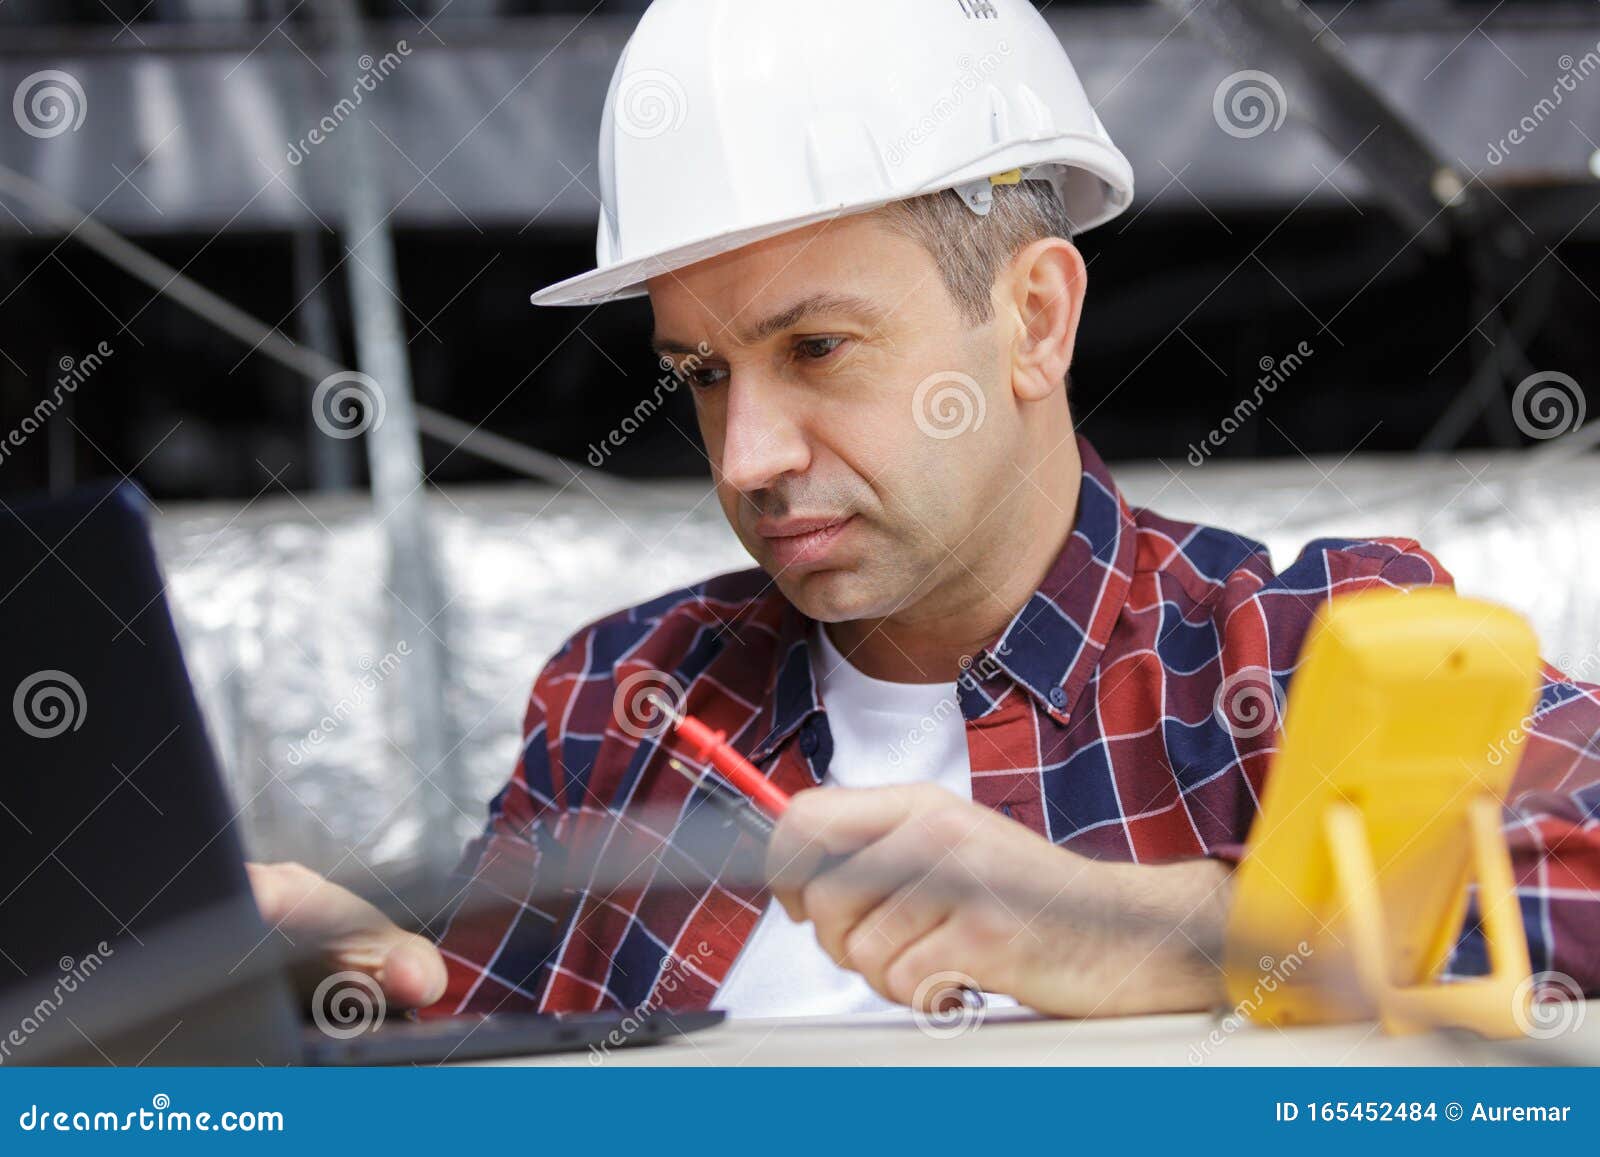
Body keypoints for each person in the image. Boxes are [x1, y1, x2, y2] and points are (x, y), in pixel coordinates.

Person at [250, 0, 1600, 1023]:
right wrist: (380, 1010)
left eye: (819, 348)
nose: (750, 456)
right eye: (706, 376)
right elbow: (504, 1073)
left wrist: (1140, 932)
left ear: (1034, 317)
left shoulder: (1304, 654)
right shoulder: (626, 702)